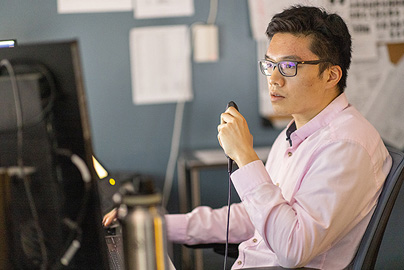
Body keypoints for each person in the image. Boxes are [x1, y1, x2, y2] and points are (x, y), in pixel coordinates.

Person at [104, 5, 392, 269]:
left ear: (331, 75)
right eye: (269, 64)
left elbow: (293, 248)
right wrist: (156, 225)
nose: (274, 79)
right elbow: (252, 216)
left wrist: (245, 156)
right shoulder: (297, 133)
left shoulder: (347, 145)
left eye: (289, 67)